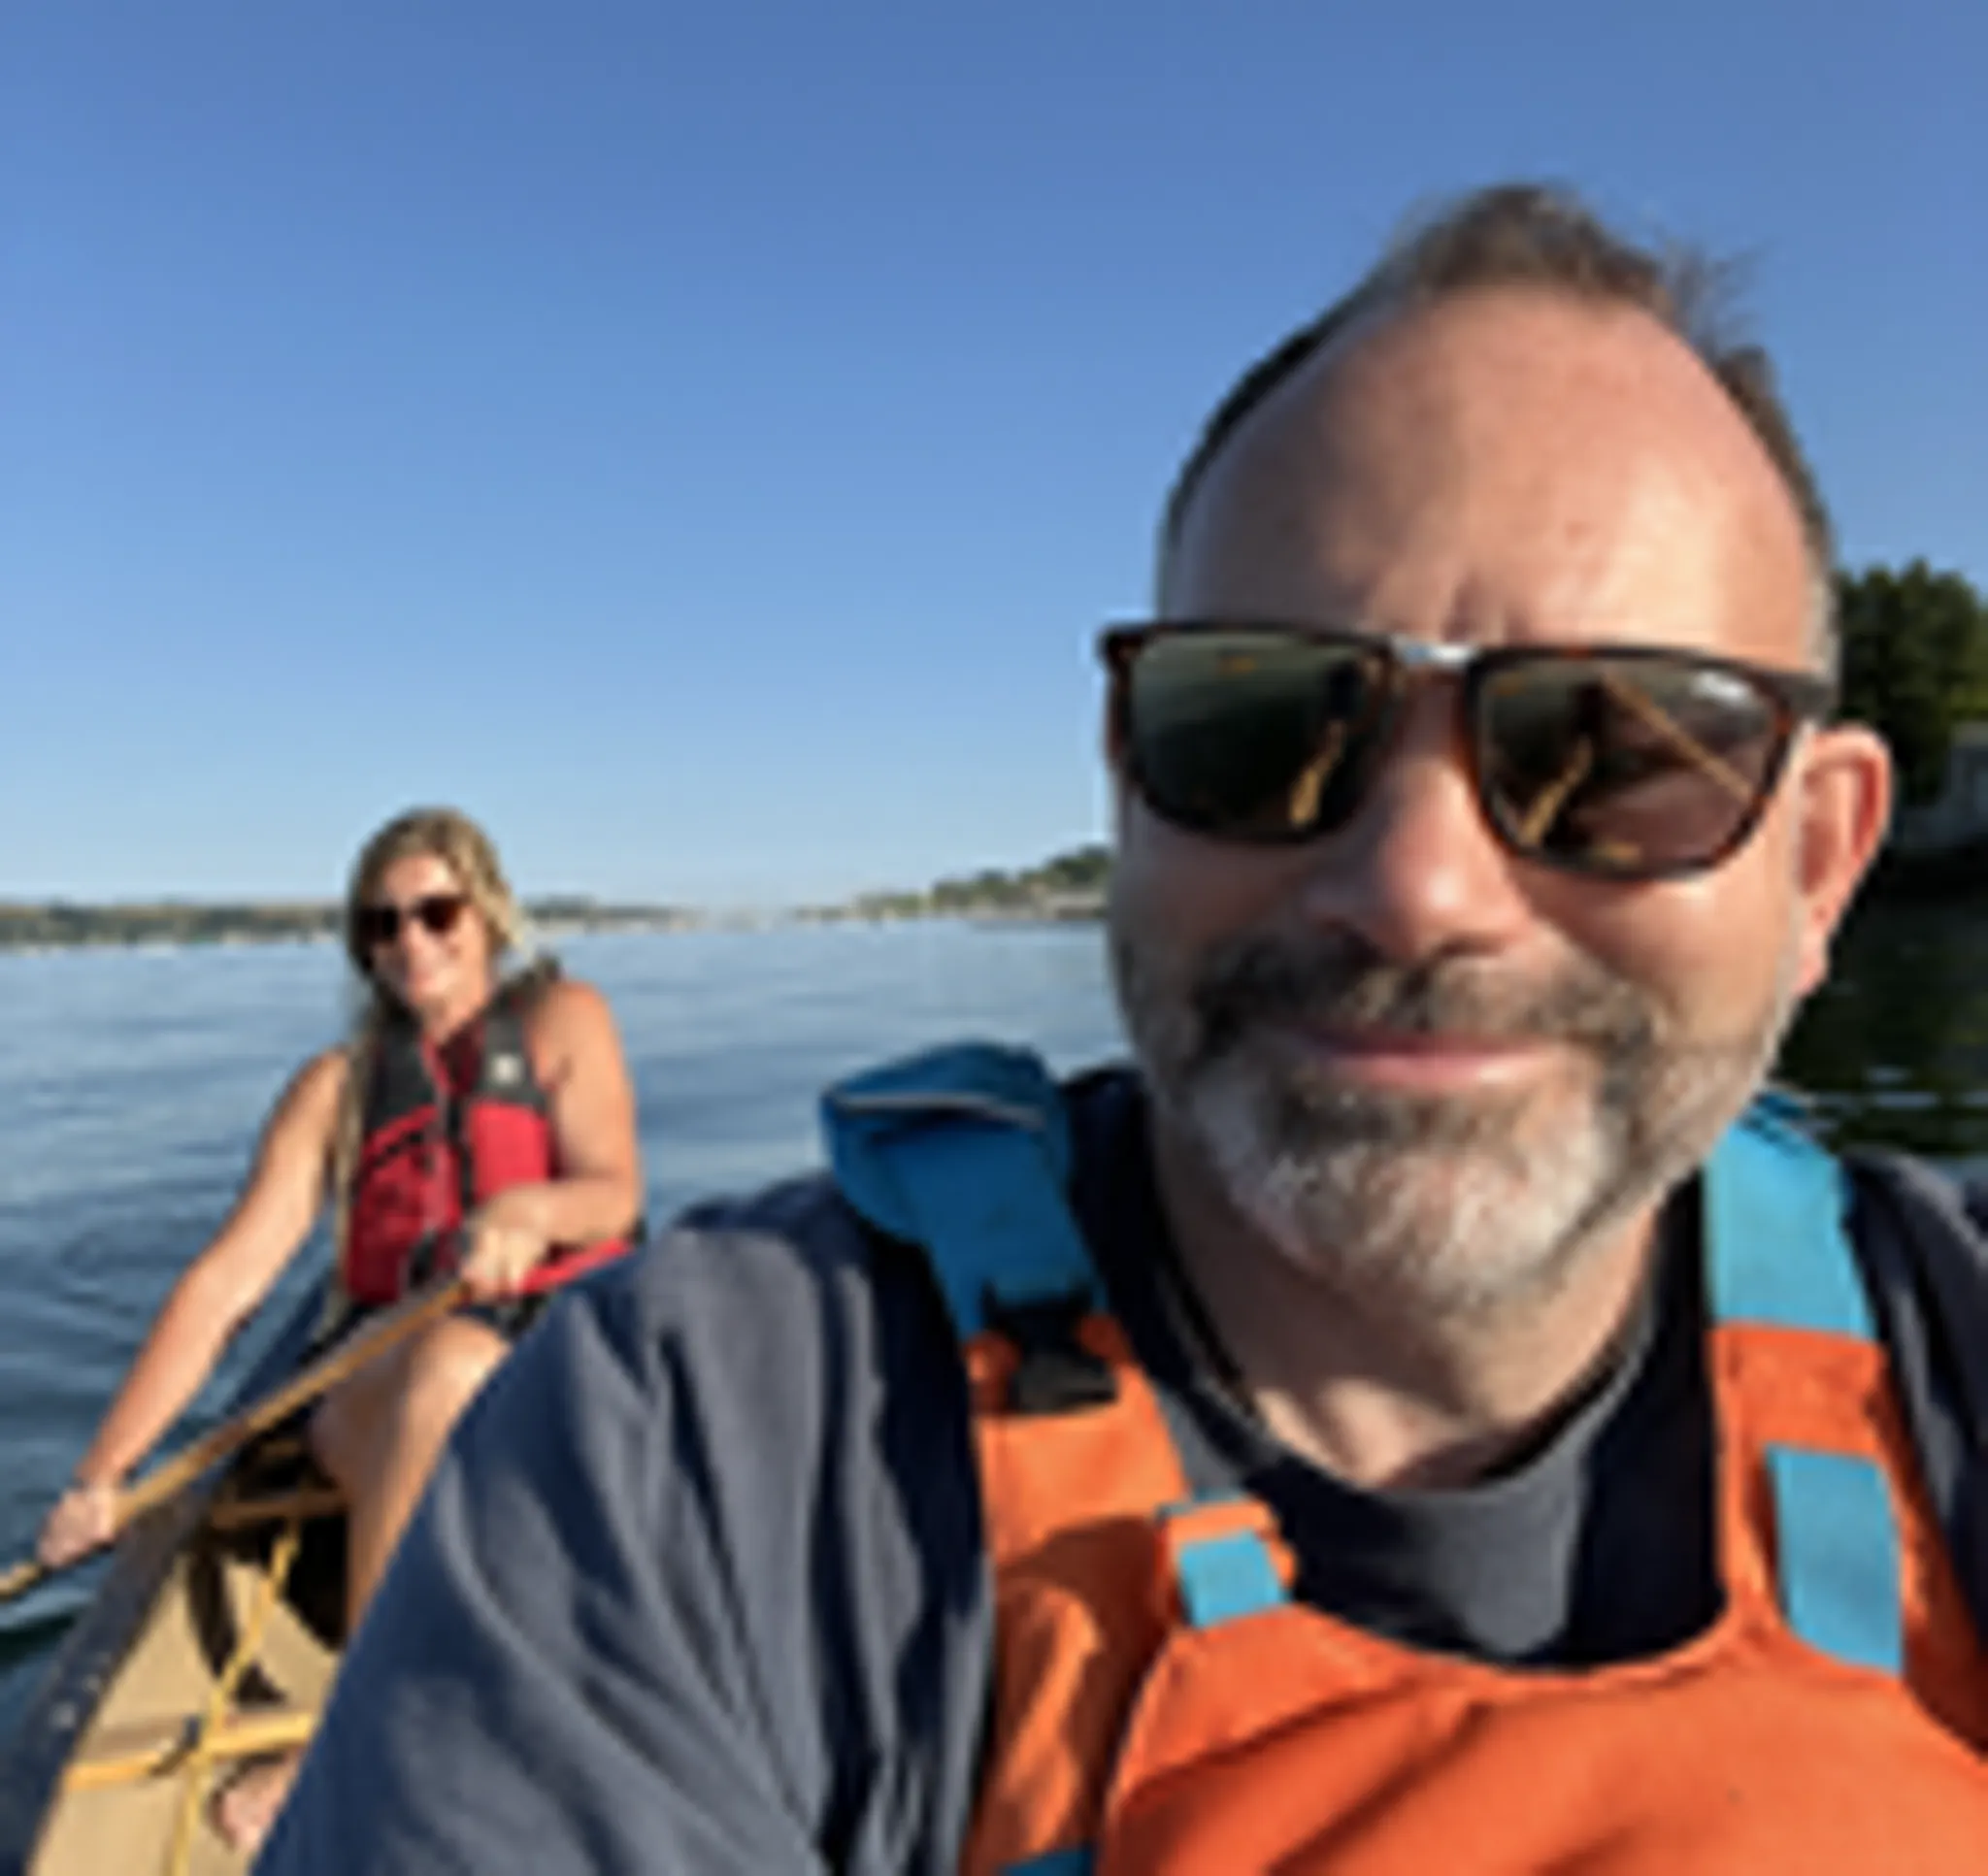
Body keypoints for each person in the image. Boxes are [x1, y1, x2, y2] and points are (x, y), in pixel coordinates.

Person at [260, 188, 1988, 1874]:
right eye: (1259, 730)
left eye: (1608, 751)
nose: (1416, 886)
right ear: (1127, 781)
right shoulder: (700, 1464)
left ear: (1820, 856)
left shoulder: (1953, 1354)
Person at [36, 805, 644, 1855]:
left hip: (552, 1355)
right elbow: (225, 1284)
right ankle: (365, 1713)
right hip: (391, 1374)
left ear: (486, 915)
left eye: (436, 911)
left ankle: (371, 1696)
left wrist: (528, 1212)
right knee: (443, 1368)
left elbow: (613, 1190)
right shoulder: (333, 1090)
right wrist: (101, 1473)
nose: (411, 941)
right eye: (382, 923)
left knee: (464, 1369)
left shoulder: (564, 1019)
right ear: (361, 945)